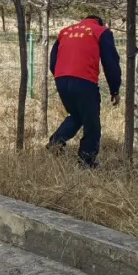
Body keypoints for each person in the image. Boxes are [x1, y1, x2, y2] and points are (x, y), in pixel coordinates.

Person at [47, 14, 121, 168]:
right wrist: (115, 88)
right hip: (84, 80)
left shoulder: (66, 31)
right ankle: (86, 160)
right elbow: (110, 61)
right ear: (100, 22)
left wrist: (62, 76)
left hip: (61, 78)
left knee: (77, 115)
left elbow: (53, 60)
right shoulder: (100, 31)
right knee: (92, 121)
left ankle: (55, 143)